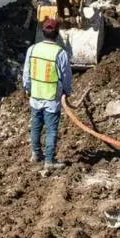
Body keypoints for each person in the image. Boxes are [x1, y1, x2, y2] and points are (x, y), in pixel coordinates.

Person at [23, 17, 73, 170]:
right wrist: (67, 91)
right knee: (51, 129)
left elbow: (26, 72)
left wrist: (27, 87)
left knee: (36, 126)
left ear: (43, 32)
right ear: (57, 34)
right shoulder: (60, 53)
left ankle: (36, 154)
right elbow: (66, 76)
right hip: (51, 98)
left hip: (35, 96)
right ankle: (49, 160)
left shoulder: (32, 49)